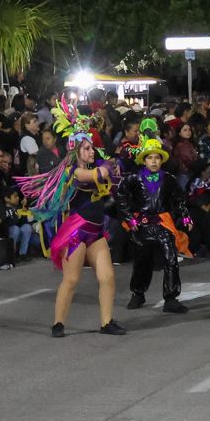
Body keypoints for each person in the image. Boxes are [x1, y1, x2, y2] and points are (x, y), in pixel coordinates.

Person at [17, 105, 126, 337]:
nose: (92, 152)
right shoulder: (73, 172)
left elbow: (112, 179)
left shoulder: (94, 165)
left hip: (96, 232)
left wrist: (114, 166)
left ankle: (107, 322)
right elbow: (96, 175)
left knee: (107, 277)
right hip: (77, 233)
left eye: (92, 148)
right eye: (87, 149)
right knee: (72, 279)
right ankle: (58, 323)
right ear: (76, 151)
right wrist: (109, 164)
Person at [117, 137, 193, 313]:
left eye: (157, 158)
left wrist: (185, 217)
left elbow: (179, 199)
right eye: (150, 158)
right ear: (144, 160)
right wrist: (129, 218)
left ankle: (171, 298)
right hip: (142, 225)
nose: (153, 161)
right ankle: (138, 293)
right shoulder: (134, 178)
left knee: (171, 258)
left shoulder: (168, 179)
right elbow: (121, 195)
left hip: (163, 224)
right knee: (141, 261)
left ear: (161, 160)